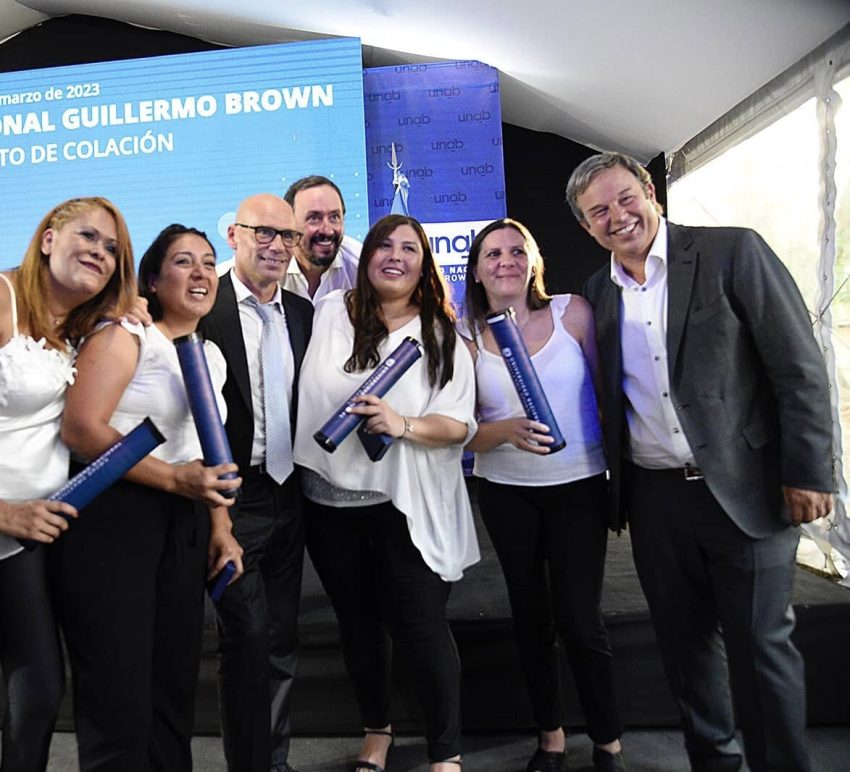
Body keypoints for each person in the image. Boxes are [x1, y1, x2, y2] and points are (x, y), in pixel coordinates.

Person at [567, 152, 834, 772]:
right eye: (598, 211)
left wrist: (808, 471)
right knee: (685, 653)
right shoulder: (597, 293)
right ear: (585, 226)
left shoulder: (731, 251)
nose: (617, 216)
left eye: (625, 198)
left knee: (760, 651)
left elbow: (798, 368)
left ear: (651, 192)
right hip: (655, 501)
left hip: (748, 489)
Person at [293, 214, 479, 771]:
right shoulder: (329, 310)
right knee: (358, 627)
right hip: (328, 504)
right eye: (384, 246)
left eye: (409, 249)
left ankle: (446, 752)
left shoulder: (441, 335)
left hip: (403, 505)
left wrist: (404, 425)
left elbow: (458, 425)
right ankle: (377, 732)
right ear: (366, 255)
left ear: (424, 266)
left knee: (422, 629)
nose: (395, 256)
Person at [54, 224, 242, 772]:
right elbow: (82, 430)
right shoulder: (125, 335)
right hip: (114, 519)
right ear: (153, 281)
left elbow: (206, 450)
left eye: (208, 261)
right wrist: (173, 479)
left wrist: (221, 527)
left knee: (172, 686)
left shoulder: (211, 356)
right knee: (118, 691)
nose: (201, 273)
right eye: (184, 262)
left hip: (183, 521)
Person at [460, 218, 626, 772]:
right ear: (476, 270)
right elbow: (458, 430)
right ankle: (550, 736)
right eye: (492, 254)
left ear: (533, 261)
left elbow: (608, 396)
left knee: (580, 620)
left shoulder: (572, 312)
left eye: (517, 250)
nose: (505, 261)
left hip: (579, 487)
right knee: (531, 616)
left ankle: (608, 740)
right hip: (506, 492)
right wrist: (503, 432)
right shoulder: (464, 336)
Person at [0, 196, 135, 772]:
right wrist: (5, 513)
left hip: (26, 540)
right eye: (88, 236)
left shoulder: (80, 324)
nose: (100, 252)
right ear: (48, 238)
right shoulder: (2, 297)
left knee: (37, 692)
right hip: (7, 522)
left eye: (112, 249)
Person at [199, 194, 313, 772]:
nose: (277, 246)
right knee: (245, 640)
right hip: (230, 501)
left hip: (290, 494)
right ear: (234, 235)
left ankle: (275, 760)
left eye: (287, 236)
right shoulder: (204, 307)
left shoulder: (303, 313)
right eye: (263, 232)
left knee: (282, 638)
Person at [282, 175, 360, 302]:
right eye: (314, 218)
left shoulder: (361, 267)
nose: (327, 230)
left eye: (334, 217)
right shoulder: (271, 264)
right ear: (289, 224)